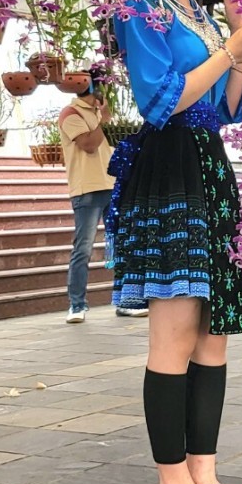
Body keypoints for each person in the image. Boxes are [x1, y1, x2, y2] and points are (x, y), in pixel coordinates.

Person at [107, 0, 242, 484]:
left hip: (209, 166)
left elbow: (226, 111)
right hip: (170, 169)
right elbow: (159, 100)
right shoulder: (135, 6)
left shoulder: (199, 13)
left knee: (213, 335)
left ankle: (205, 472)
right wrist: (229, 49)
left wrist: (241, 54)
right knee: (174, 333)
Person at [58, 77, 141, 323]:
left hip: (112, 186)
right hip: (88, 189)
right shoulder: (70, 113)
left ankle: (126, 301)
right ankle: (77, 305)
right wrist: (102, 120)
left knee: (122, 245)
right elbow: (89, 145)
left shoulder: (98, 114)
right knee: (83, 248)